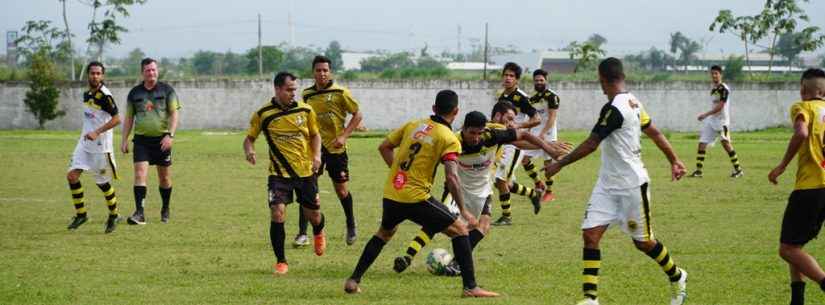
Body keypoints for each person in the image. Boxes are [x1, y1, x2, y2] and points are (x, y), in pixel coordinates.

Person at [544, 58, 688, 305]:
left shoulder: (615, 108)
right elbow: (654, 132)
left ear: (603, 78)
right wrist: (673, 159)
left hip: (632, 185)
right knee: (590, 235)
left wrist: (559, 163)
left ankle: (677, 276)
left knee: (643, 243)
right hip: (606, 185)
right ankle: (590, 299)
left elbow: (591, 143)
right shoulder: (633, 101)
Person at [343, 90, 499, 298]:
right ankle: (470, 287)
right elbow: (452, 178)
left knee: (384, 233)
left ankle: (353, 280)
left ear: (434, 109)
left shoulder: (413, 125)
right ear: (456, 111)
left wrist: (399, 174)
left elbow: (384, 147)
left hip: (392, 192)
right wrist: (464, 210)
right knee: (461, 230)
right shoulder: (449, 138)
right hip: (415, 197)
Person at [392, 104, 571, 275]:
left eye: (479, 133)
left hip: (483, 189)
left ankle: (456, 263)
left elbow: (522, 137)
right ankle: (408, 256)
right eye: (508, 119)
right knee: (437, 222)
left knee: (483, 226)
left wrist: (548, 147)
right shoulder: (454, 141)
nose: (476, 137)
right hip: (458, 189)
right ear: (464, 128)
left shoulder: (492, 134)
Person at [243, 72, 327, 275]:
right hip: (278, 174)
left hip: (305, 172)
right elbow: (249, 138)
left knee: (313, 215)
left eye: (294, 90)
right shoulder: (263, 114)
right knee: (277, 212)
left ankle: (318, 231)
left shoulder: (306, 111)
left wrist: (317, 156)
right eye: (289, 90)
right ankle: (281, 261)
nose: (293, 93)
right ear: (277, 89)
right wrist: (249, 150)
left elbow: (315, 135)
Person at [768, 68, 825, 305]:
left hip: (810, 188)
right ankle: (797, 300)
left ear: (803, 89)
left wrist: (781, 166)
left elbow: (801, 132)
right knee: (796, 245)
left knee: (787, 250)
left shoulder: (802, 107)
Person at [296, 55, 364, 247]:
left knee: (341, 191)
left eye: (325, 70)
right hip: (314, 149)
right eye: (318, 70)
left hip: (336, 148)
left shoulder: (341, 92)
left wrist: (343, 136)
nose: (322, 73)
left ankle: (351, 223)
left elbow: (358, 114)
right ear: (313, 72)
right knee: (307, 189)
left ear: (330, 72)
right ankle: (302, 233)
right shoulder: (307, 94)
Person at [121, 57, 181, 225]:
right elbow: (129, 118)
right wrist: (124, 139)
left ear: (157, 71)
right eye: (148, 70)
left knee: (165, 179)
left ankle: (165, 208)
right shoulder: (134, 93)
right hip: (141, 141)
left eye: (154, 69)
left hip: (162, 141)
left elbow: (175, 114)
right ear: (142, 73)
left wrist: (170, 135)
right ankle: (139, 213)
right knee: (140, 174)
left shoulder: (167, 90)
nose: (151, 73)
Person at [66, 61, 121, 233]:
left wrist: (97, 132)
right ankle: (81, 215)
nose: (95, 76)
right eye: (92, 73)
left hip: (100, 146)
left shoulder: (106, 96)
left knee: (102, 183)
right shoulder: (87, 94)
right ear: (88, 75)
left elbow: (117, 119)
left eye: (98, 73)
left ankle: (114, 215)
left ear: (102, 76)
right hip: (84, 143)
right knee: (72, 176)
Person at [493, 62, 543, 226]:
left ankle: (507, 217)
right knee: (502, 182)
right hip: (502, 142)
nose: (507, 78)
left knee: (500, 181)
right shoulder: (503, 97)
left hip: (514, 144)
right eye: (505, 75)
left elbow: (537, 119)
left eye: (511, 76)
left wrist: (518, 126)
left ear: (517, 80)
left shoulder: (521, 97)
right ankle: (532, 194)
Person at [688, 65, 743, 178]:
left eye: (716, 73)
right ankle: (699, 171)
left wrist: (705, 114)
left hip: (722, 121)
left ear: (720, 75)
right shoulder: (713, 88)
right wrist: (709, 117)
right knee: (702, 143)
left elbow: (720, 106)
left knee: (725, 144)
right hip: (712, 121)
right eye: (712, 73)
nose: (714, 75)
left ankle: (738, 170)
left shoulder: (724, 89)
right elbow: (715, 104)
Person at [526, 68, 562, 202]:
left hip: (548, 133)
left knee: (548, 164)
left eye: (541, 80)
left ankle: (549, 192)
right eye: (536, 80)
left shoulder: (552, 96)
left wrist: (543, 133)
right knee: (524, 159)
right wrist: (529, 131)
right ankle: (538, 183)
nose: (539, 82)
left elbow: (552, 118)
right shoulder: (533, 98)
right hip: (535, 133)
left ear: (546, 81)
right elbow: (532, 117)